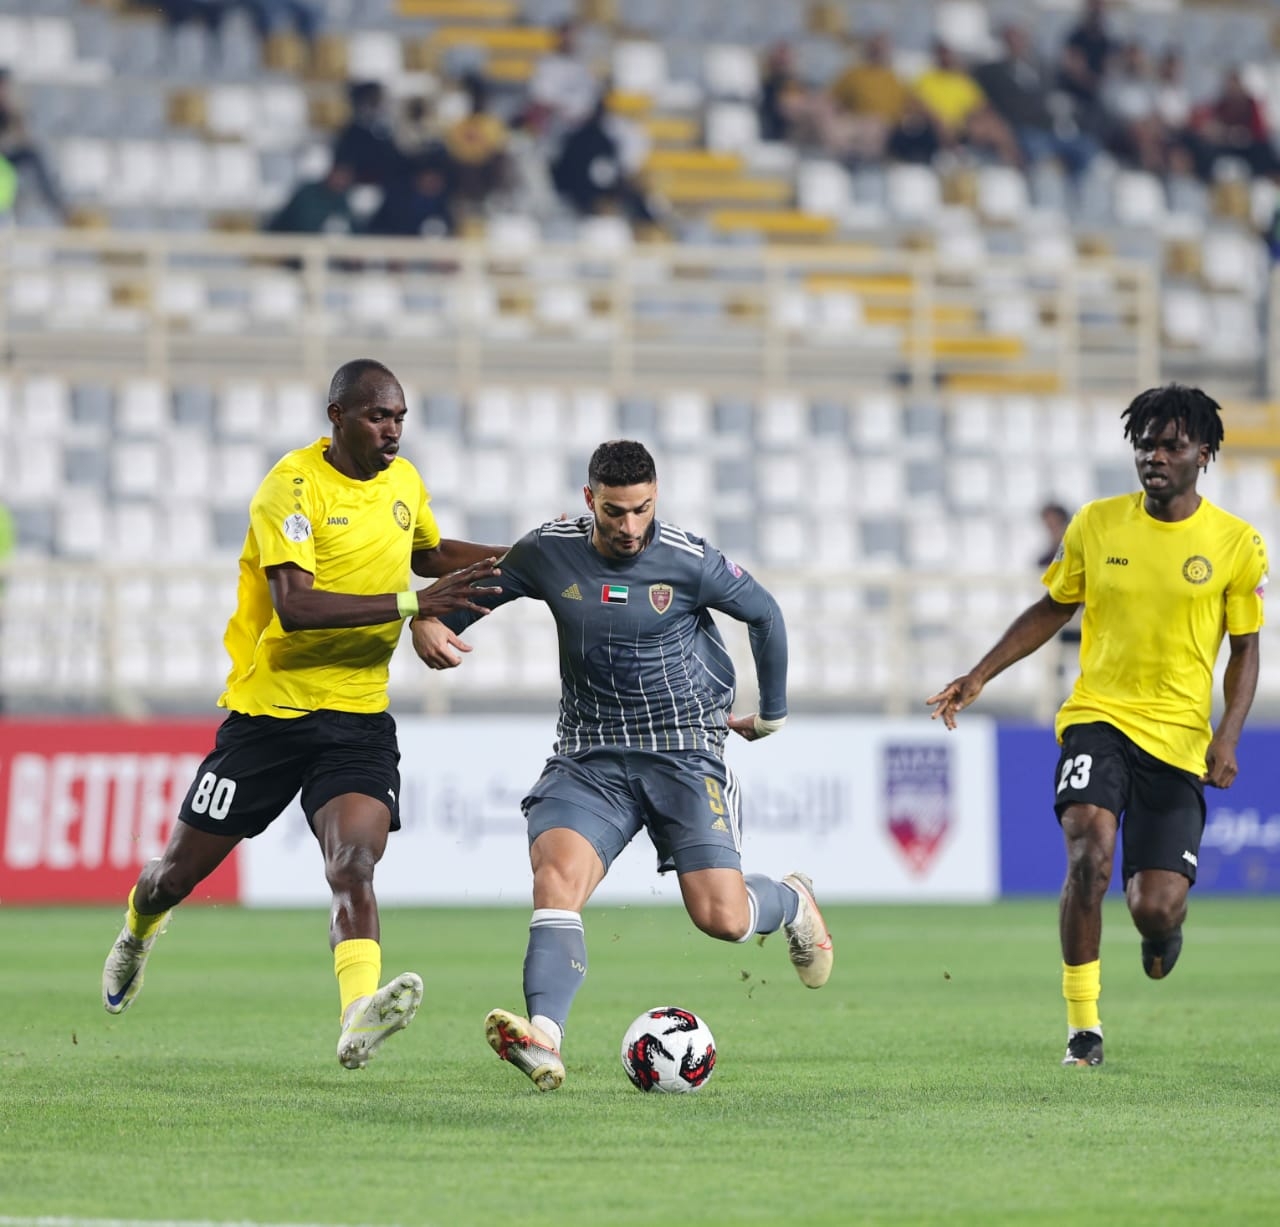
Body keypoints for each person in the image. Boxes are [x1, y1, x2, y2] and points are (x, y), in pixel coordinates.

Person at [101, 358, 507, 1070]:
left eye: (400, 417)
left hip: (357, 718)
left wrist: (532, 559)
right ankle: (139, 926)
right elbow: (295, 605)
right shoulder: (290, 488)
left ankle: (357, 1015)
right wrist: (414, 606)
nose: (392, 430)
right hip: (269, 717)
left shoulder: (404, 483)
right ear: (337, 417)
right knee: (174, 876)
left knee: (353, 863)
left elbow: (431, 552)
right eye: (378, 417)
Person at [413, 440, 834, 1092]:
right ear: (590, 500)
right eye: (614, 511)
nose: (630, 526)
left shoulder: (689, 560)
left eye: (642, 509)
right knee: (556, 878)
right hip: (590, 753)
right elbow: (469, 594)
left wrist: (772, 714)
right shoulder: (548, 550)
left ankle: (792, 899)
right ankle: (544, 1037)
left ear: (655, 498)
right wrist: (426, 620)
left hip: (683, 748)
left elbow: (765, 614)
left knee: (722, 918)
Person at [927, 385, 1268, 1068]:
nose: (1154, 457)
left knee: (1154, 906)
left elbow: (1245, 649)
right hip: (1098, 716)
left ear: (1203, 453)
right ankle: (1084, 1028)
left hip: (1178, 737)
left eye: (1171, 445)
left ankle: (1161, 931)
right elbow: (1054, 607)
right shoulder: (1096, 524)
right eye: (1145, 444)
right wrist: (981, 673)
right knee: (1088, 848)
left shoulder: (1236, 543)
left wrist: (1227, 733)